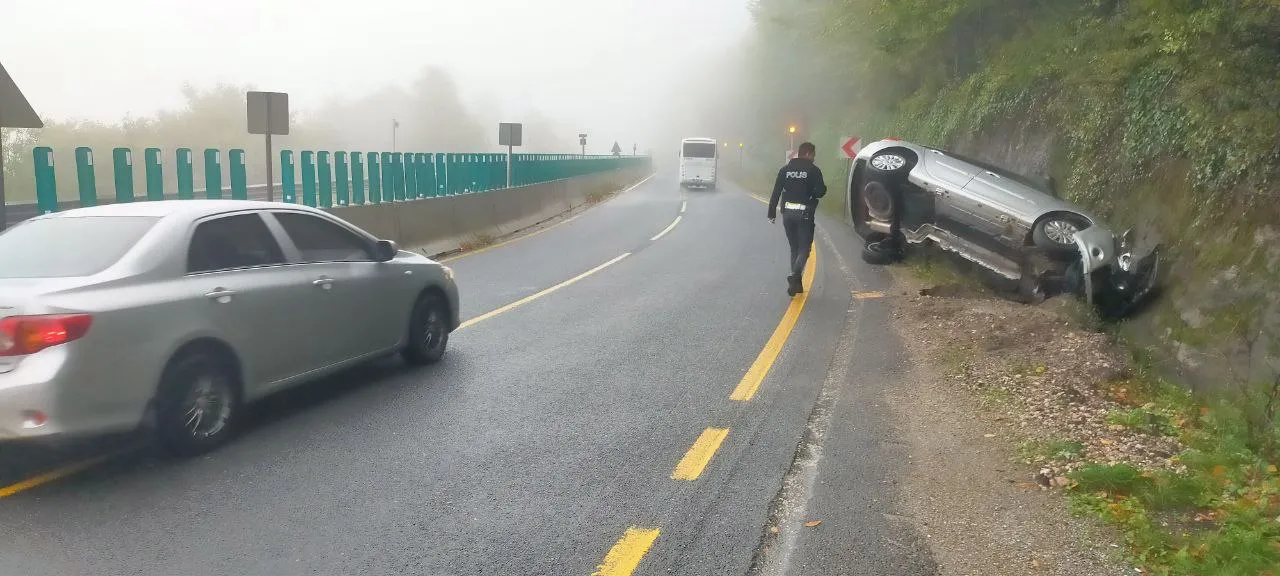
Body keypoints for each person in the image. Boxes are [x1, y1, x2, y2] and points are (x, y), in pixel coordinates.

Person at [768, 142, 826, 296]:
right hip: (804, 214)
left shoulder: (785, 170)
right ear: (808, 154)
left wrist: (771, 213)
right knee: (805, 249)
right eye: (813, 155)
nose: (814, 158)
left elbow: (776, 192)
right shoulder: (813, 170)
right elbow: (821, 191)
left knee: (794, 247)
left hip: (787, 214)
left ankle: (796, 285)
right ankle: (795, 276)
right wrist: (813, 192)